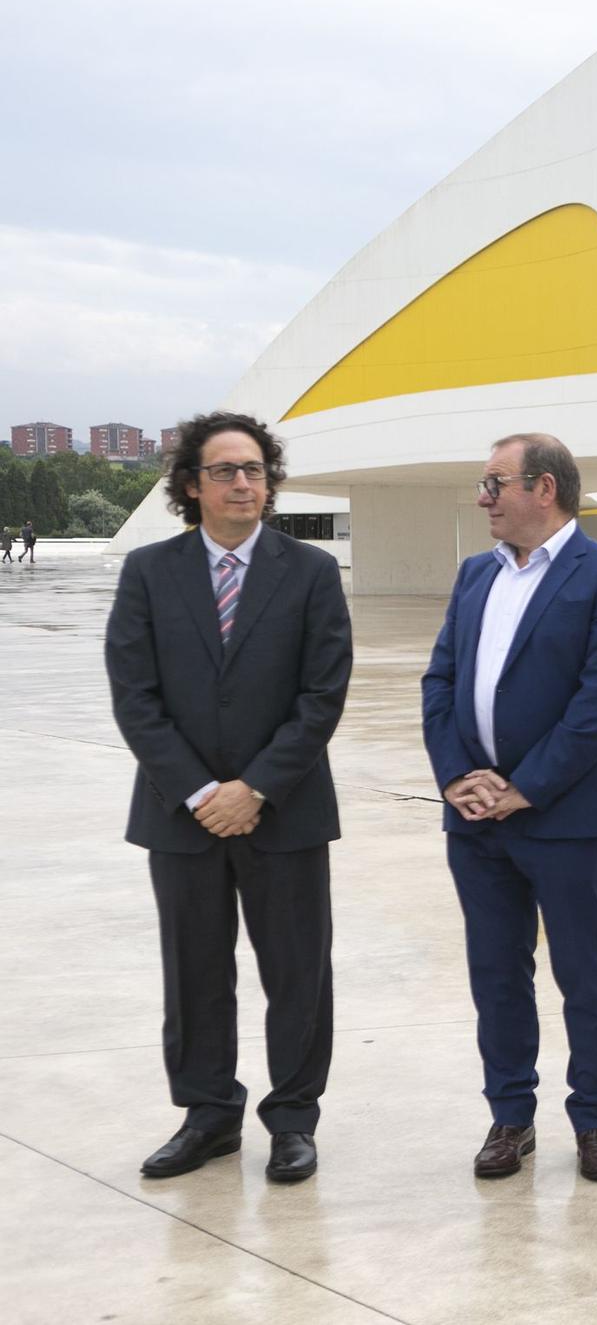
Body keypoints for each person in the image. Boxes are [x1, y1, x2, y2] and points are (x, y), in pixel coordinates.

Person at [104, 410, 351, 1184]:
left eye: (255, 469)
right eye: (225, 470)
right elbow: (135, 696)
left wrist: (257, 788)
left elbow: (323, 693)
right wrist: (204, 791)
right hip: (182, 816)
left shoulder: (309, 572)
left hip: (286, 812)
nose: (244, 482)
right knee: (195, 970)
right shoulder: (149, 571)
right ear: (191, 485)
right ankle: (208, 1115)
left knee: (297, 972)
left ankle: (292, 1120)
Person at [420, 432, 597, 1182]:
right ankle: (510, 1116)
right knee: (496, 971)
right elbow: (440, 683)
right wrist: (459, 778)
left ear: (543, 488)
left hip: (565, 814)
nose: (484, 497)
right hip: (475, 817)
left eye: (495, 483)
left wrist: (525, 786)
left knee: (585, 972)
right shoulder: (473, 576)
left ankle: (594, 1118)